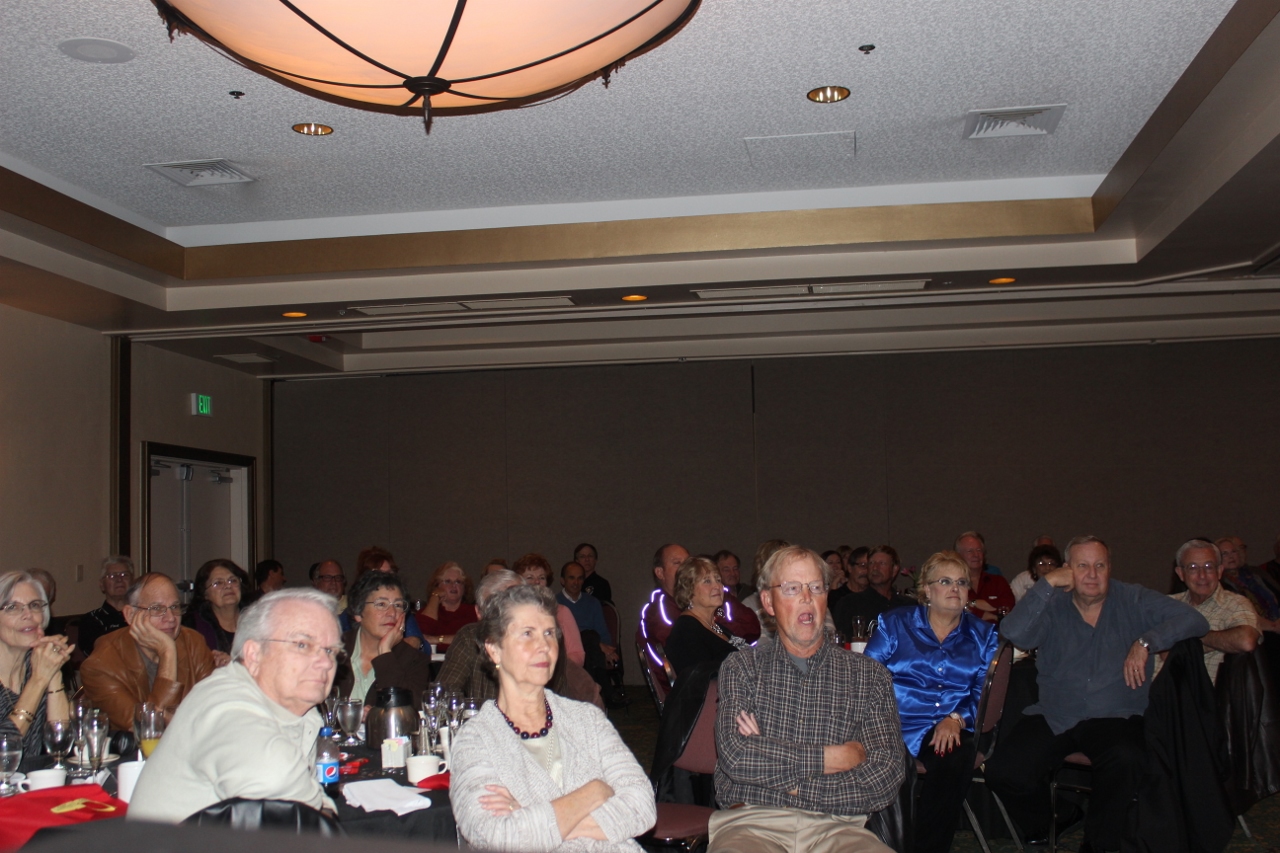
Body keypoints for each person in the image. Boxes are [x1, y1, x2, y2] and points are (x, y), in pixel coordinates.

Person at [985, 535, 1210, 853]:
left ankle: (1098, 845)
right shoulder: (1052, 604)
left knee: (1127, 758)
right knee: (1003, 773)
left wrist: (1146, 641)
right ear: (1067, 571)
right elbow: (1012, 633)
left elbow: (1195, 619)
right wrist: (1047, 584)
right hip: (1056, 713)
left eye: (1099, 565)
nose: (1092, 574)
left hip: (1116, 714)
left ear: (1109, 568)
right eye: (1082, 566)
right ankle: (1060, 815)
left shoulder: (1133, 599)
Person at [712, 545, 904, 853]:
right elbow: (737, 758)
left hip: (839, 827)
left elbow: (884, 777)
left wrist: (790, 782)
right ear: (768, 602)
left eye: (816, 587)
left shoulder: (870, 677)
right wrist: (833, 758)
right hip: (751, 823)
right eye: (791, 588)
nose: (806, 598)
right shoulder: (742, 668)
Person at [450, 583, 656, 852]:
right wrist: (594, 791)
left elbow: (642, 806)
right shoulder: (475, 739)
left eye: (549, 633)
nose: (544, 646)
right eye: (527, 633)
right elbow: (494, 834)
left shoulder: (586, 720)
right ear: (494, 649)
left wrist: (531, 815)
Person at [128, 589, 343, 823]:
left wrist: (323, 811)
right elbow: (297, 811)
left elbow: (309, 804)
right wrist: (324, 815)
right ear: (253, 654)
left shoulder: (301, 712)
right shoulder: (227, 708)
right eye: (303, 645)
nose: (324, 662)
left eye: (330, 651)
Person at [865, 551, 999, 853]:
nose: (955, 588)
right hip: (893, 721)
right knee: (891, 764)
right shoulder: (894, 623)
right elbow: (868, 678)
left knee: (957, 758)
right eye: (946, 581)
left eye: (962, 582)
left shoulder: (983, 634)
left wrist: (956, 718)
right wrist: (880, 723)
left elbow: (983, 691)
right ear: (926, 589)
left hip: (947, 723)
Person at [439, 570, 605, 709]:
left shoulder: (546, 640)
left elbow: (556, 699)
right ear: (480, 613)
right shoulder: (469, 638)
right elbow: (445, 692)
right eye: (498, 609)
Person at [81, 573, 215, 731]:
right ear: (130, 615)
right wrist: (168, 653)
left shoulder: (194, 643)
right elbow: (149, 729)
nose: (171, 618)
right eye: (157, 609)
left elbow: (213, 711)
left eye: (175, 607)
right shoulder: (101, 665)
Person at [1161, 539, 1259, 683]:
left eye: (1208, 566)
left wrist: (1192, 640)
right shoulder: (1166, 604)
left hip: (1198, 699)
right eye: (1193, 567)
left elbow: (1246, 640)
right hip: (1149, 696)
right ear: (1181, 573)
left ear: (1219, 571)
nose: (1202, 575)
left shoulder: (1234, 604)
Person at [0, 571, 72, 757]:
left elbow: (61, 745)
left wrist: (53, 672)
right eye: (13, 607)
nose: (28, 615)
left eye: (34, 605)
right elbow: (3, 754)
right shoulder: (38, 673)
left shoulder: (37, 664)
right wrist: (39, 680)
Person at [334, 571, 432, 707]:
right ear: (358, 612)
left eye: (398, 605)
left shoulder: (414, 660)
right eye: (381, 604)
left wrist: (385, 653)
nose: (392, 613)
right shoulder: (333, 650)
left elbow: (410, 707)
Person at [641, 543, 760, 649]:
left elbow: (753, 628)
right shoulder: (662, 614)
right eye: (677, 563)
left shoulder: (719, 595)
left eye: (718, 579)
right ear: (660, 573)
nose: (716, 586)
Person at [665, 556, 750, 679]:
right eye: (707, 581)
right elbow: (701, 682)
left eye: (718, 580)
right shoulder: (686, 631)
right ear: (688, 590)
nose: (717, 586)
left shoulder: (715, 626)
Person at [557, 561, 624, 706]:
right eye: (571, 578)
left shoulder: (592, 602)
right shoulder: (555, 603)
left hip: (592, 651)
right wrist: (599, 645)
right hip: (568, 650)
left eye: (580, 578)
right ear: (562, 580)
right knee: (588, 636)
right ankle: (605, 690)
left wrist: (605, 647)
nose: (576, 582)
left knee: (591, 639)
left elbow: (603, 633)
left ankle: (592, 696)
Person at [341, 546, 424, 649]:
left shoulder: (399, 611)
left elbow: (422, 645)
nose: (385, 580)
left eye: (389, 574)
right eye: (377, 575)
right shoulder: (348, 616)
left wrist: (414, 641)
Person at [516, 554, 587, 667]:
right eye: (530, 577)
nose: (537, 582)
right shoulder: (510, 614)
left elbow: (578, 655)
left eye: (542, 578)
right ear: (518, 583)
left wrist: (553, 665)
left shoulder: (562, 612)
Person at [831, 545, 916, 640]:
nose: (875, 568)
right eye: (871, 563)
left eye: (882, 563)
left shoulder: (908, 606)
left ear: (894, 570)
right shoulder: (849, 604)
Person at [183, 558, 249, 667]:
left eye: (233, 580)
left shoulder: (257, 619)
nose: (228, 586)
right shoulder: (191, 625)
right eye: (218, 583)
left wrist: (234, 665)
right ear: (204, 593)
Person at [1216, 536, 1280, 631]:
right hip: (1253, 629)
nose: (1231, 556)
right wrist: (1273, 626)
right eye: (1224, 554)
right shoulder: (1219, 584)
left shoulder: (1255, 574)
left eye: (1233, 551)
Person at [77, 557, 135, 656]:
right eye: (112, 576)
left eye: (124, 575)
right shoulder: (91, 620)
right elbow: (97, 654)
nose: (119, 580)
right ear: (102, 585)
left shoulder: (143, 615)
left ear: (133, 582)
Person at [416, 561, 478, 651]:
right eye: (448, 581)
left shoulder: (474, 613)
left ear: (464, 587)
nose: (453, 586)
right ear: (437, 585)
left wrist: (437, 639)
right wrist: (435, 597)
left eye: (458, 582)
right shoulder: (426, 612)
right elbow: (421, 636)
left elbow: (472, 639)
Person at [955, 531, 1015, 621]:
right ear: (958, 556)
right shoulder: (953, 584)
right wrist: (993, 616)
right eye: (970, 551)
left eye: (979, 550)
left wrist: (970, 603)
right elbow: (956, 610)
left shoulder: (998, 581)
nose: (976, 555)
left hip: (997, 634)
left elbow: (1008, 605)